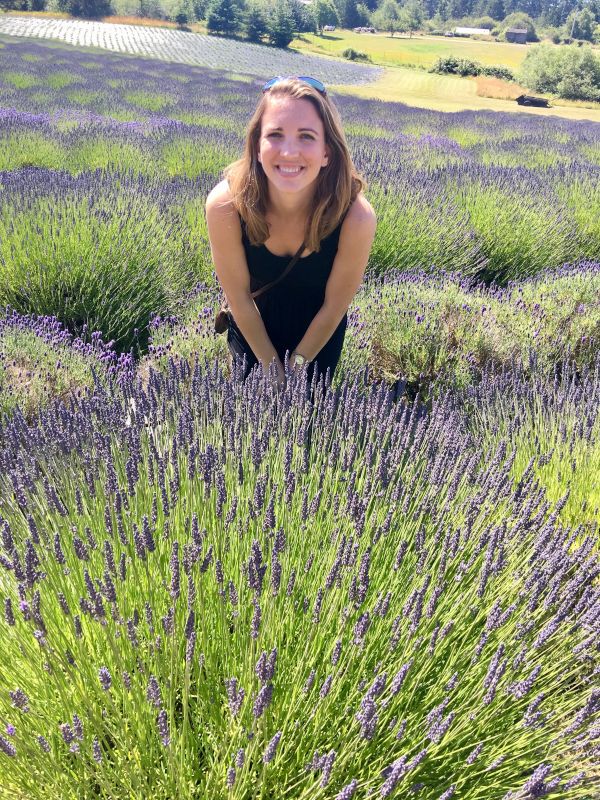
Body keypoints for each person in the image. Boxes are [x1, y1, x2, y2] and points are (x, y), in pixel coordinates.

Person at [205, 75, 376, 392]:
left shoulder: (356, 217)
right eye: (275, 134)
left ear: (327, 152)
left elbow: (334, 307)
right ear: (257, 146)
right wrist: (272, 369)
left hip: (318, 329)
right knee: (247, 423)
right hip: (252, 323)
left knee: (306, 425)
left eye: (307, 137)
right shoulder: (225, 205)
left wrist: (296, 366)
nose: (289, 151)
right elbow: (239, 299)